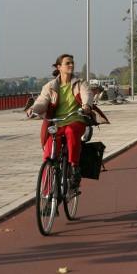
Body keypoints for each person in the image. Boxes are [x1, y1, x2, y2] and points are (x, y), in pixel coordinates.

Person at [27, 54, 93, 190]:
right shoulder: (50, 86)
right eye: (67, 63)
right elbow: (42, 101)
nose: (71, 65)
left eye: (72, 63)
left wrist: (86, 106)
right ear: (59, 67)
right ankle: (46, 193)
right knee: (49, 153)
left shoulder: (80, 83)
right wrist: (34, 109)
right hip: (57, 124)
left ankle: (74, 168)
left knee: (70, 131)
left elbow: (87, 95)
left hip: (76, 120)